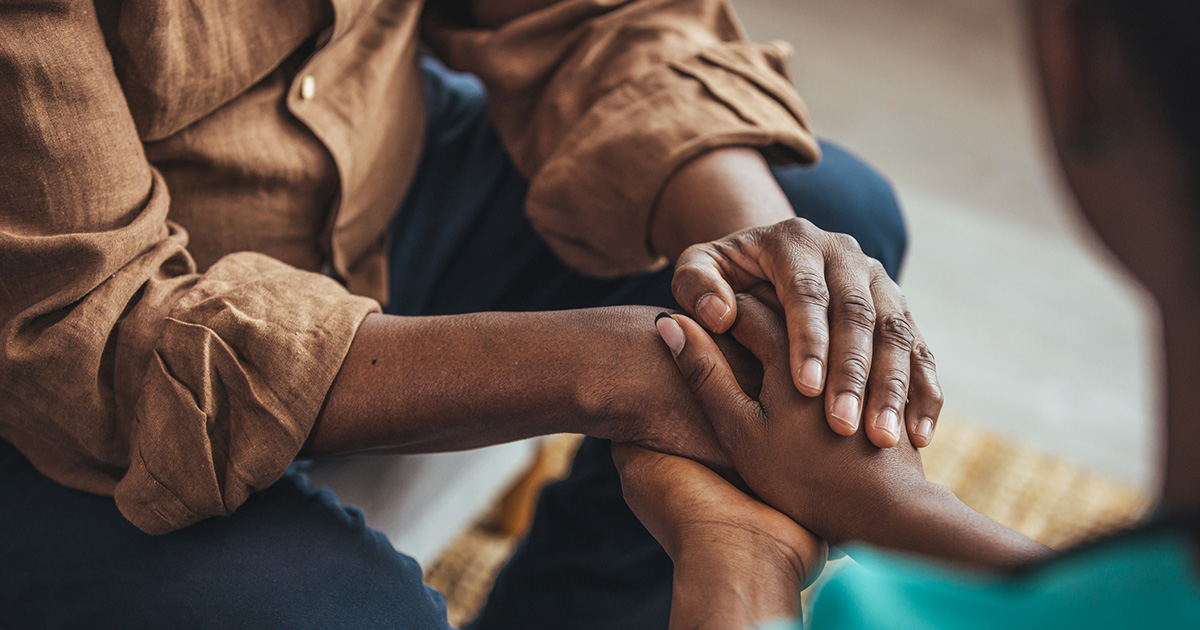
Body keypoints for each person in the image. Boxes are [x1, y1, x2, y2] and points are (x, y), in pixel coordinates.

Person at [0, 1, 940, 628]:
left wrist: (758, 252)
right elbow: (84, 324)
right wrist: (604, 371)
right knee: (355, 612)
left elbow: (576, 16)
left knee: (827, 234)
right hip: (54, 359)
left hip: (380, 186)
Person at [615, 0, 1200, 627]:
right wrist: (898, 510)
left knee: (836, 215)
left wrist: (735, 555)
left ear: (1079, 60)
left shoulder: (882, 616)